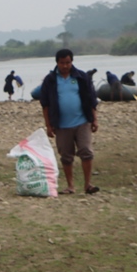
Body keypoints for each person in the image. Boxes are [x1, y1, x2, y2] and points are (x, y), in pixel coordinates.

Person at [40, 49, 99, 195]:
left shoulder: (81, 77)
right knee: (66, 155)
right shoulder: (50, 80)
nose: (65, 66)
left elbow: (91, 99)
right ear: (57, 63)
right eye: (62, 63)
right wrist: (48, 125)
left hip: (82, 121)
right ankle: (70, 186)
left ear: (72, 62)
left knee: (86, 151)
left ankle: (87, 185)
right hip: (61, 125)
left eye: (68, 62)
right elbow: (45, 104)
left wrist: (94, 119)